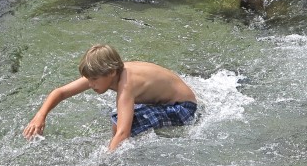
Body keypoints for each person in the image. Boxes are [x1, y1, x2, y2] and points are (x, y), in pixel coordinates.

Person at [23, 44, 198, 151]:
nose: (90, 85)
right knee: (118, 117)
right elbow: (60, 92)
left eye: (94, 80)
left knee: (118, 122)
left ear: (111, 72)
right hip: (170, 99)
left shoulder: (126, 85)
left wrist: (105, 161)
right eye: (88, 79)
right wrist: (40, 116)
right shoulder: (104, 73)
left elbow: (123, 132)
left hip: (183, 108)